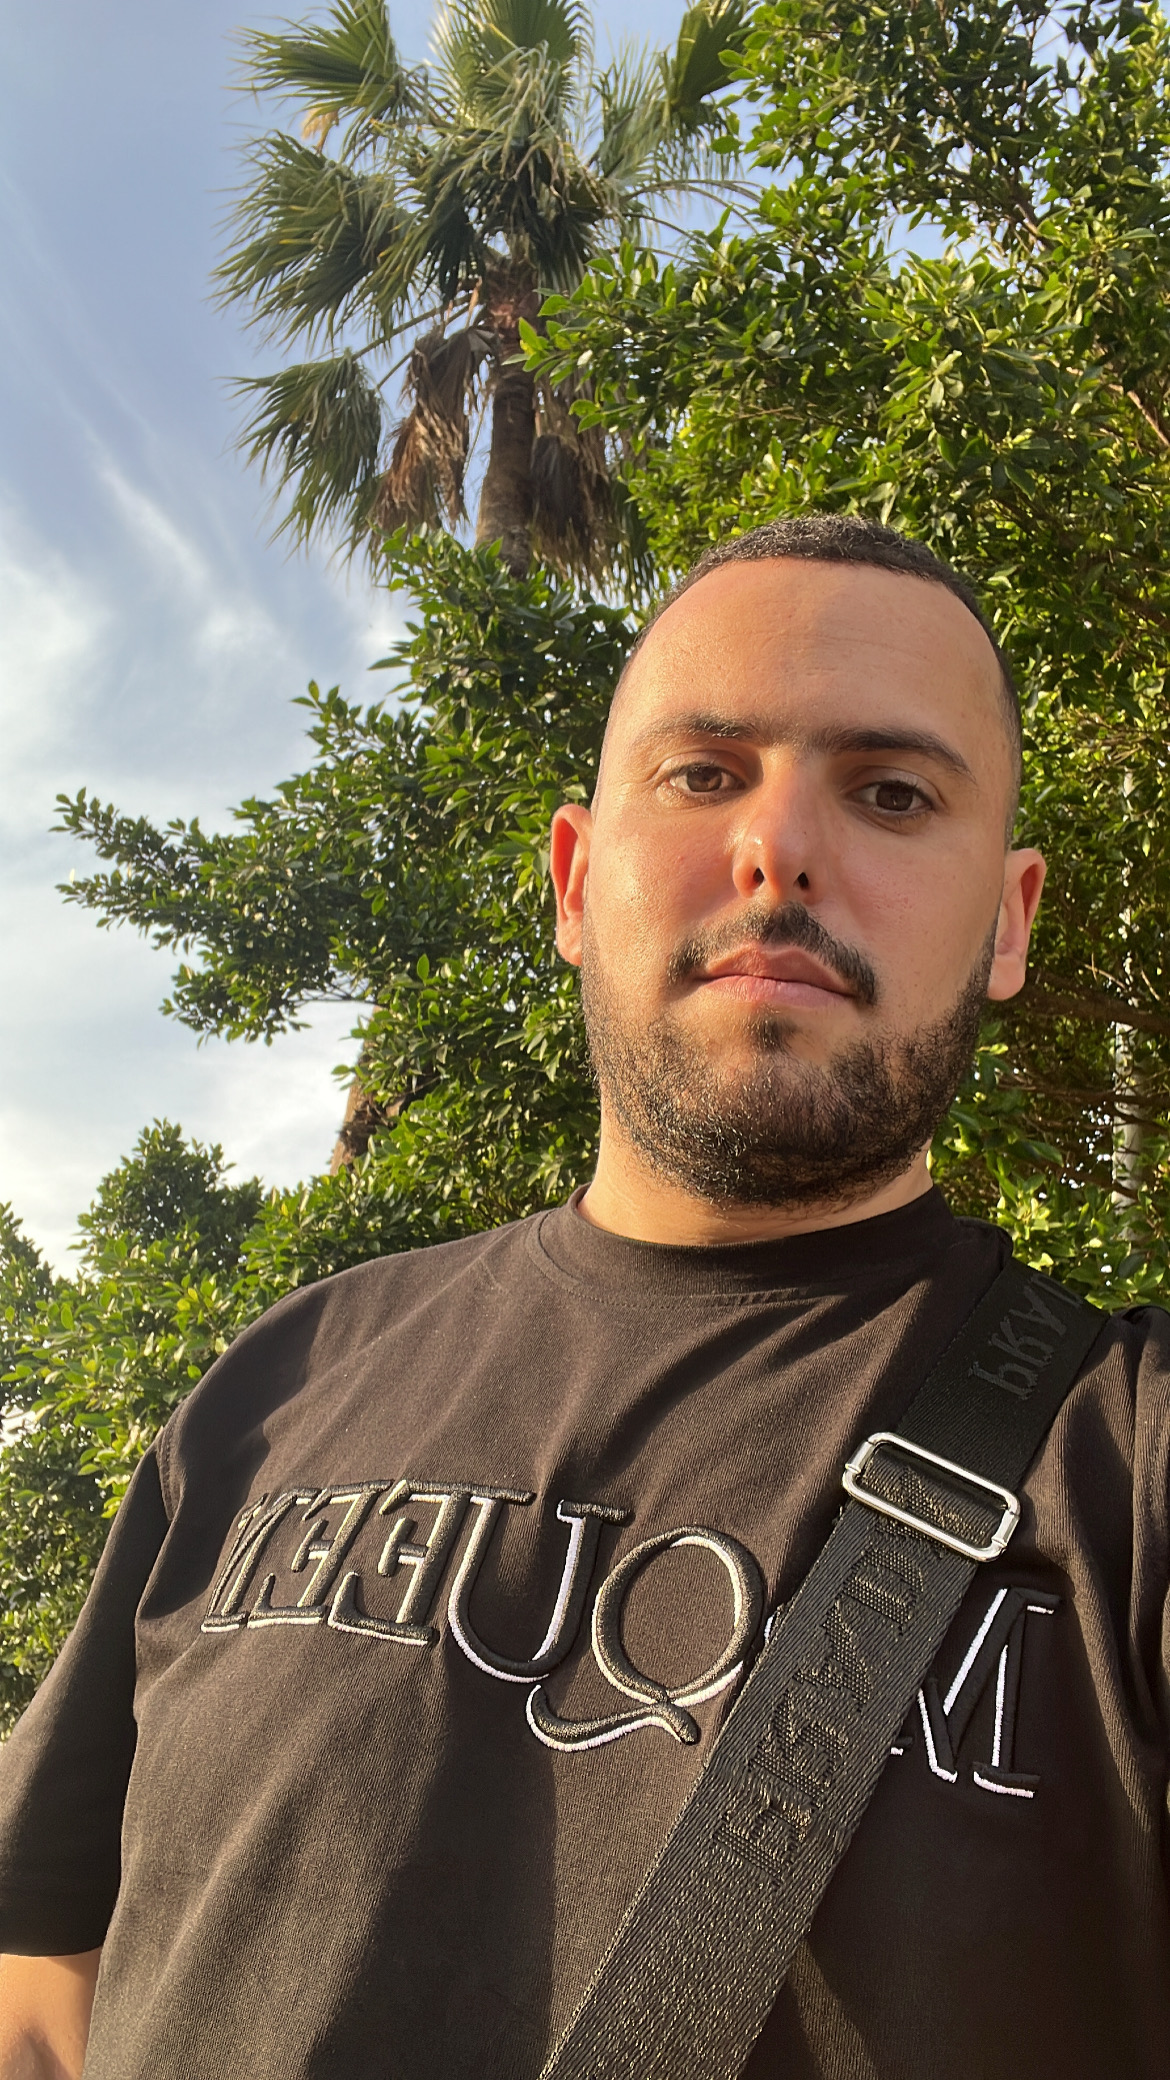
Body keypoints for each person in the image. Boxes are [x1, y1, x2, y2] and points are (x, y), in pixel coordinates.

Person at [1, 516, 1167, 2080]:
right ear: (570, 878)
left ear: (1008, 920)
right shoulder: (278, 1382)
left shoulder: (1129, 1467)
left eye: (891, 792)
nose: (778, 849)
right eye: (703, 773)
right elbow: (43, 1988)